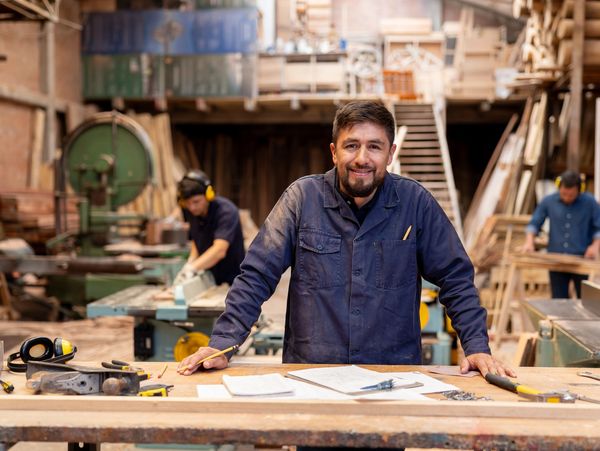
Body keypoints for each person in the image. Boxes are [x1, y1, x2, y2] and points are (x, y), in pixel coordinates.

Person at [177, 101, 514, 378]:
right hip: (312, 375)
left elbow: (456, 278)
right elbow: (257, 275)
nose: (362, 158)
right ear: (334, 152)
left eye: (374, 147)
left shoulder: (416, 205)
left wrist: (476, 347)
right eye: (351, 145)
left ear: (390, 153)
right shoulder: (301, 199)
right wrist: (223, 343)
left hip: (392, 378)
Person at [523, 170, 600, 298]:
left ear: (579, 190)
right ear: (559, 187)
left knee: (585, 301)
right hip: (556, 260)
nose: (567, 198)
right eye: (564, 194)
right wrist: (529, 242)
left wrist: (595, 246)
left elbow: (599, 227)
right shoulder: (548, 201)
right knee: (558, 301)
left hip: (582, 260)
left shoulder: (590, 202)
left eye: (571, 195)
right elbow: (534, 223)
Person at [174, 170, 245, 286]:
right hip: (210, 277)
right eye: (188, 203)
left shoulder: (226, 211)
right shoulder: (192, 212)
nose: (192, 207)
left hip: (233, 280)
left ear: (208, 195)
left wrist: (193, 268)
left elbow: (219, 251)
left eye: (196, 202)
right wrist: (190, 263)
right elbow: (196, 242)